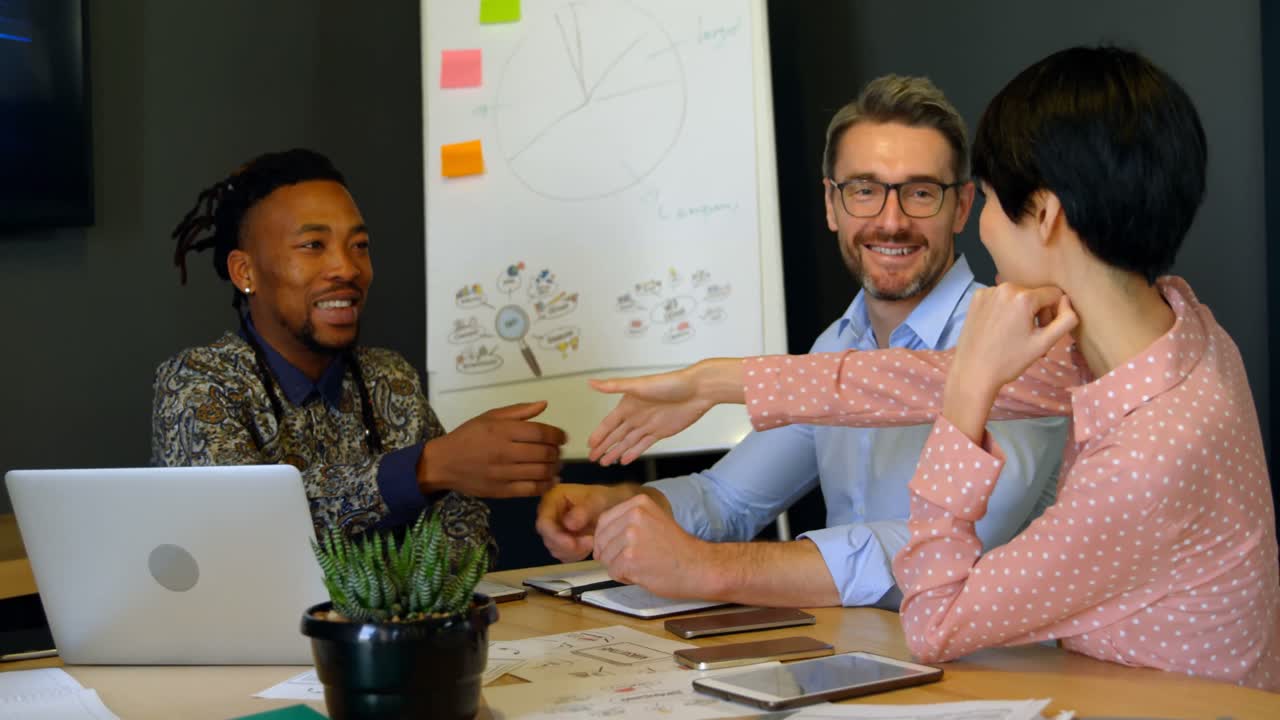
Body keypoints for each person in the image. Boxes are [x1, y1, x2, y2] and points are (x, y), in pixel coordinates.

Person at [584, 48, 1280, 689]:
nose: (980, 234)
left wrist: (970, 390)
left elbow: (935, 620)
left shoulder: (1147, 460)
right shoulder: (1184, 334)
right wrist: (712, 381)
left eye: (984, 202)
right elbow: (887, 381)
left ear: (1044, 215)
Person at [536, 76, 1067, 608]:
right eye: (864, 191)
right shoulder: (835, 347)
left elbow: (945, 550)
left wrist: (712, 569)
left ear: (963, 207)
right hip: (858, 659)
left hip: (997, 677)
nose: (891, 220)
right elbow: (726, 500)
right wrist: (617, 509)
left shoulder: (1020, 340)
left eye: (920, 193)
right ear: (832, 205)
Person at [154, 149, 567, 539]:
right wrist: (425, 468)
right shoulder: (200, 383)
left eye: (359, 246)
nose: (346, 268)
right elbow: (236, 529)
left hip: (404, 618)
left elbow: (464, 528)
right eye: (314, 245)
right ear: (246, 271)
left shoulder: (389, 377)